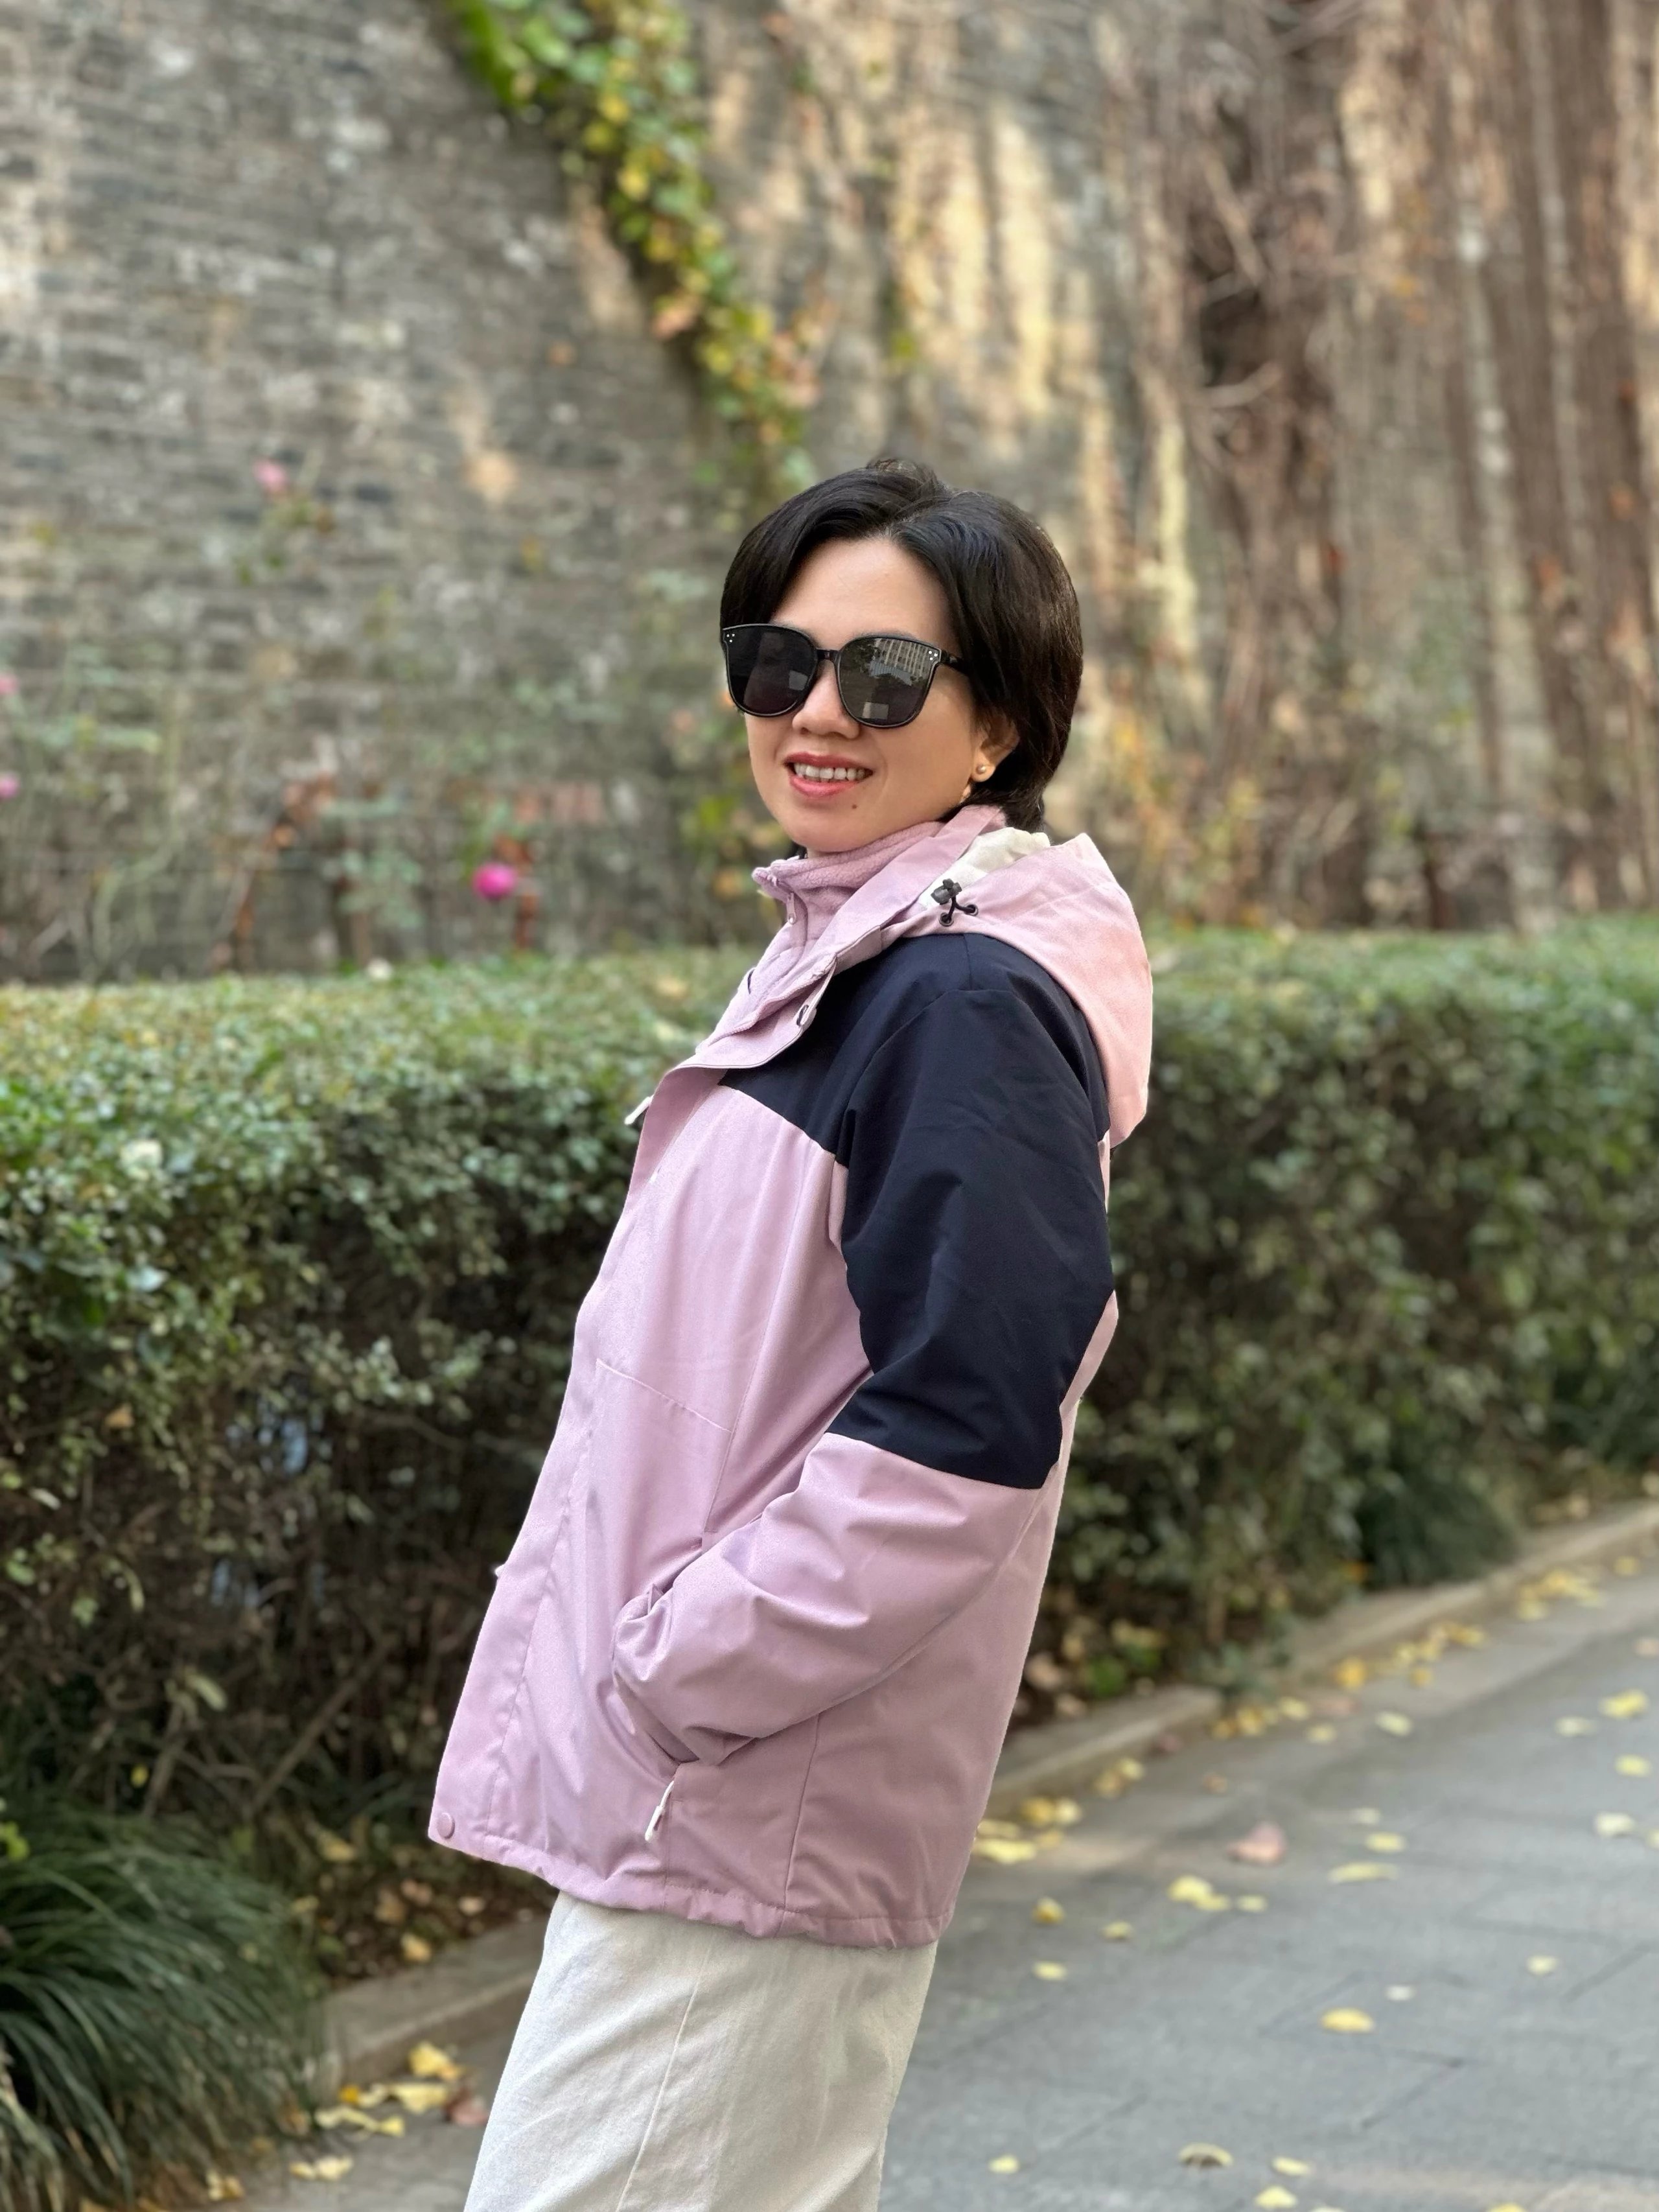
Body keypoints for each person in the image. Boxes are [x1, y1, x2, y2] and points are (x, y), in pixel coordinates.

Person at [432, 456, 1153, 2211]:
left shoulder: (964, 1000)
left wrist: (690, 1671)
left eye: (885, 675)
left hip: (750, 1796)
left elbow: (973, 1427)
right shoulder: (857, 966)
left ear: (997, 729)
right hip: (715, 1794)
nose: (818, 711)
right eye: (779, 661)